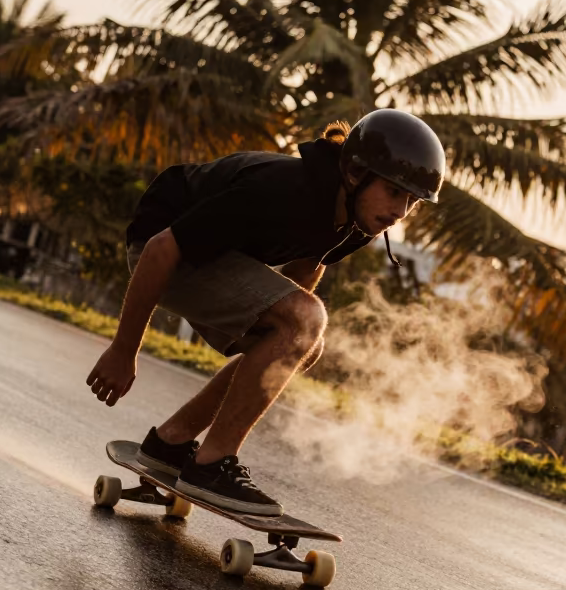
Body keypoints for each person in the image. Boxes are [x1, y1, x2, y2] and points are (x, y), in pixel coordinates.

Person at [87, 109, 446, 516]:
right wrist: (122, 350)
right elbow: (160, 250)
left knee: (303, 341)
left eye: (413, 201)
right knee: (303, 323)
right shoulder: (281, 189)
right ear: (355, 172)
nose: (401, 210)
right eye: (394, 191)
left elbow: (307, 267)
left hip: (213, 257)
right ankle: (211, 466)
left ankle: (171, 442)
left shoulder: (357, 222)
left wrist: (287, 337)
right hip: (162, 247)